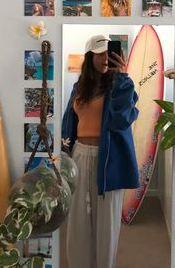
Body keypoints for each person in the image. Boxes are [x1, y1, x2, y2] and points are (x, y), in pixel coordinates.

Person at [61, 34, 139, 268]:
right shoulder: (79, 87)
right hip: (79, 156)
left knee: (107, 224)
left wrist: (122, 78)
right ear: (90, 56)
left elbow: (120, 121)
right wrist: (63, 156)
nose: (106, 58)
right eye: (101, 53)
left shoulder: (120, 87)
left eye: (110, 53)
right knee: (78, 221)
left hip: (109, 161)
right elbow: (69, 124)